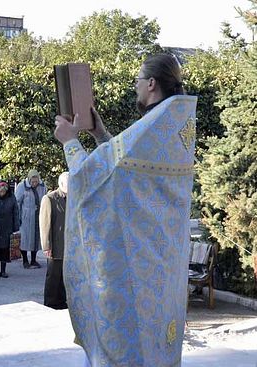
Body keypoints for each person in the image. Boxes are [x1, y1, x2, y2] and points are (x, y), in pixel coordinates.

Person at [54, 53, 196, 366]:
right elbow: (123, 170)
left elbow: (93, 179)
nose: (134, 87)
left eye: (137, 81)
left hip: (138, 267)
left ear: (151, 84)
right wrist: (99, 135)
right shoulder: (174, 125)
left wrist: (69, 141)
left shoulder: (155, 125)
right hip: (165, 266)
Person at [39, 172, 68, 310]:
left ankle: (61, 301)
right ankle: (50, 302)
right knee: (53, 276)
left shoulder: (72, 198)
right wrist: (46, 246)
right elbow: (45, 224)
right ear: (61, 184)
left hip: (68, 245)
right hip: (55, 244)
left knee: (64, 275)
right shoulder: (49, 198)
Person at [14, 169, 47, 269]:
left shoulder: (42, 187)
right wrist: (18, 217)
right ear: (29, 179)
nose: (34, 183)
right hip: (26, 216)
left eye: (36, 181)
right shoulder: (22, 186)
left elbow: (45, 199)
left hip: (38, 216)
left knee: (36, 239)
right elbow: (17, 202)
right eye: (33, 181)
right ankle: (25, 260)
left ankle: (33, 260)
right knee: (25, 239)